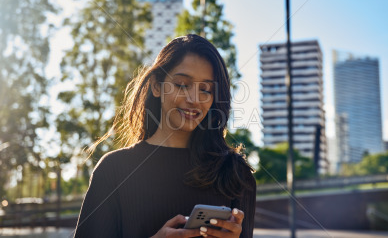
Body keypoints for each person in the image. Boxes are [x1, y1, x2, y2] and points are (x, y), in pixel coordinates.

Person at [73, 34, 256, 238]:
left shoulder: (237, 174)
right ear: (156, 86)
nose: (194, 99)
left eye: (205, 89)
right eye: (182, 85)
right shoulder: (113, 170)